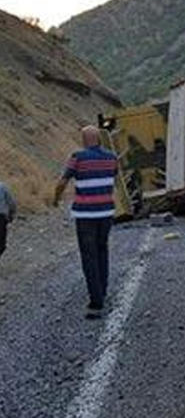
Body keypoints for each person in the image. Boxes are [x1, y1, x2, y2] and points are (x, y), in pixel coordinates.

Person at [54, 126, 118, 319]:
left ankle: (96, 300)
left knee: (88, 255)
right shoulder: (111, 157)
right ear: (99, 139)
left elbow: (63, 181)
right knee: (102, 249)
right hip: (106, 212)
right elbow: (113, 178)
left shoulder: (77, 157)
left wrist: (55, 198)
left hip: (85, 215)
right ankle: (103, 290)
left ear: (84, 139)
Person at [0, 181, 17, 259]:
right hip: (1, 217)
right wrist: (12, 214)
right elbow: (11, 202)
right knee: (1, 243)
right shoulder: (3, 187)